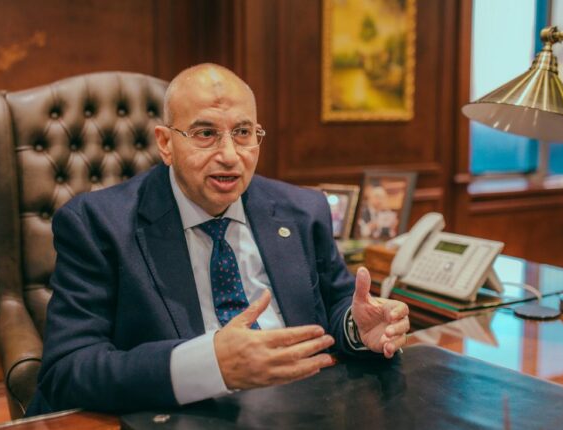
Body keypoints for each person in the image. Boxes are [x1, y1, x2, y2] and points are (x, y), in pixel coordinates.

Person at [26, 64, 409, 416]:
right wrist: (207, 365)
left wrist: (357, 329)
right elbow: (68, 369)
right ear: (165, 143)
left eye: (243, 133)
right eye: (205, 134)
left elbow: (339, 304)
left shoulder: (302, 210)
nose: (229, 155)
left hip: (301, 410)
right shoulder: (96, 224)